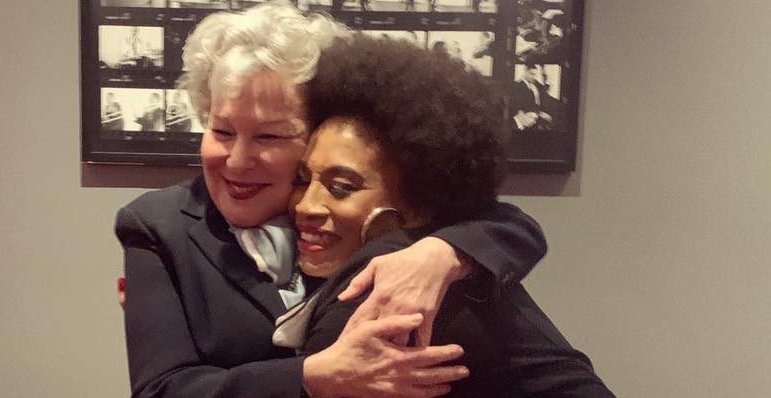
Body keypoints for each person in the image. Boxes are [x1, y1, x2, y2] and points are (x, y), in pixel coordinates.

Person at [116, 3, 547, 397]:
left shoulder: (370, 215)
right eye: (222, 131)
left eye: (270, 135)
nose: (238, 159)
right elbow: (160, 391)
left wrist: (443, 254)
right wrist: (311, 377)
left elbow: (507, 224)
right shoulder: (157, 226)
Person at [272, 34, 614, 397]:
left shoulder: (378, 301)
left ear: (418, 201)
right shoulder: (458, 255)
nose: (307, 205)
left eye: (342, 187)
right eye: (303, 179)